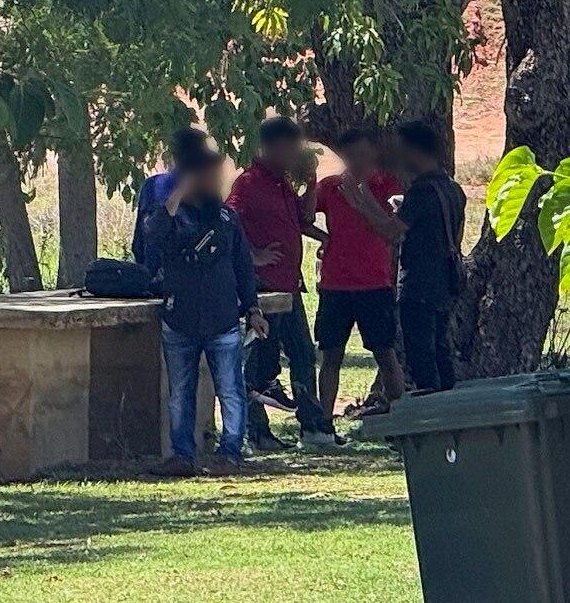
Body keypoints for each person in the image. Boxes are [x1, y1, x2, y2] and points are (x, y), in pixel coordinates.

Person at [140, 139, 265, 477]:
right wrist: (177, 195)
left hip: (223, 319)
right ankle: (183, 455)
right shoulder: (168, 214)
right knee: (180, 393)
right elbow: (151, 238)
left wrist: (252, 308)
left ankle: (231, 452)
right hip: (180, 319)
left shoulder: (226, 217)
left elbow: (242, 267)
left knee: (231, 390)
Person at [227, 116, 341, 451]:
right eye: (290, 148)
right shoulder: (249, 183)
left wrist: (310, 184)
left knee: (303, 354)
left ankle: (313, 427)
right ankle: (256, 432)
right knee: (261, 363)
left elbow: (302, 219)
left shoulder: (282, 183)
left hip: (289, 287)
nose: (294, 154)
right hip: (262, 289)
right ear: (272, 147)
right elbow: (227, 223)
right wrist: (253, 254)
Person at [313, 129, 407, 418]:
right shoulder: (330, 187)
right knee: (331, 355)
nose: (356, 160)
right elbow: (301, 216)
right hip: (336, 284)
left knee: (385, 353)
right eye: (350, 155)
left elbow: (395, 232)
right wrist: (322, 236)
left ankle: (401, 417)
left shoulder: (388, 185)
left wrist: (364, 201)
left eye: (362, 154)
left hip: (374, 283)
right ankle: (324, 422)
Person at [391, 120, 465, 393]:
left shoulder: (421, 191)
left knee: (421, 354)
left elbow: (392, 231)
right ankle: (448, 402)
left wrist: (362, 203)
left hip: (419, 282)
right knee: (441, 349)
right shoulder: (452, 188)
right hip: (444, 281)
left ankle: (430, 410)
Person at [132, 126, 213, 275]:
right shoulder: (203, 190)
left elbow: (139, 243)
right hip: (181, 278)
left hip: (156, 275)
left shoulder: (152, 185)